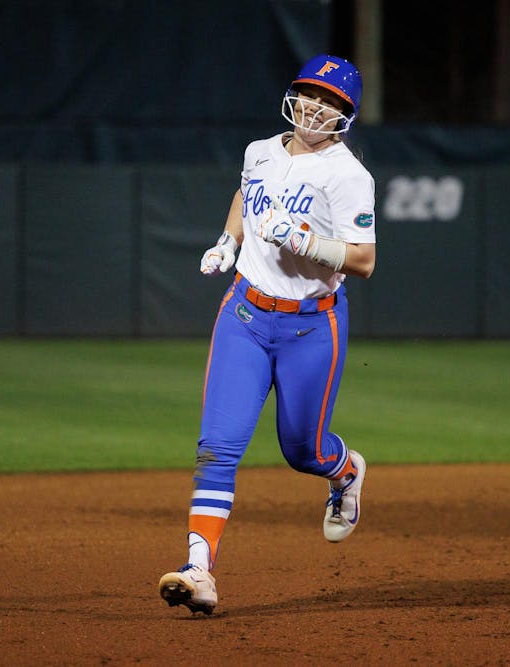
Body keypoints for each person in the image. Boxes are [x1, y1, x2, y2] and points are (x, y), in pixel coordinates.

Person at [157, 54, 376, 615]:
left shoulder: (349, 176)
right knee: (217, 448)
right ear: (294, 95)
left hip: (311, 325)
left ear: (344, 113)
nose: (315, 105)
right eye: (309, 93)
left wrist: (305, 243)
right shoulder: (260, 150)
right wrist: (229, 241)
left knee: (301, 450)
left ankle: (345, 470)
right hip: (246, 315)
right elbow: (244, 195)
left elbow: (365, 260)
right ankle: (199, 569)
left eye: (330, 100)